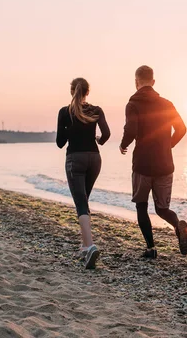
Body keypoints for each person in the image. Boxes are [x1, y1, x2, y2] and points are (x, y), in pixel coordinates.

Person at [119, 65, 187, 259]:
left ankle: (151, 248)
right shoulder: (167, 104)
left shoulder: (133, 104)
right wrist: (168, 145)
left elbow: (131, 129)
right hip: (164, 164)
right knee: (162, 209)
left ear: (136, 83)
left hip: (142, 164)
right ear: (153, 82)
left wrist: (123, 144)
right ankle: (178, 226)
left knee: (141, 205)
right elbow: (182, 129)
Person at [56, 77, 110, 269]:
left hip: (75, 159)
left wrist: (67, 129)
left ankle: (89, 247)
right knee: (84, 201)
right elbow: (106, 134)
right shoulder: (96, 110)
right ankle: (84, 243)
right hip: (95, 159)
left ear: (72, 91)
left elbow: (60, 142)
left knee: (81, 203)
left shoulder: (65, 112)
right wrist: (99, 140)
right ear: (88, 92)